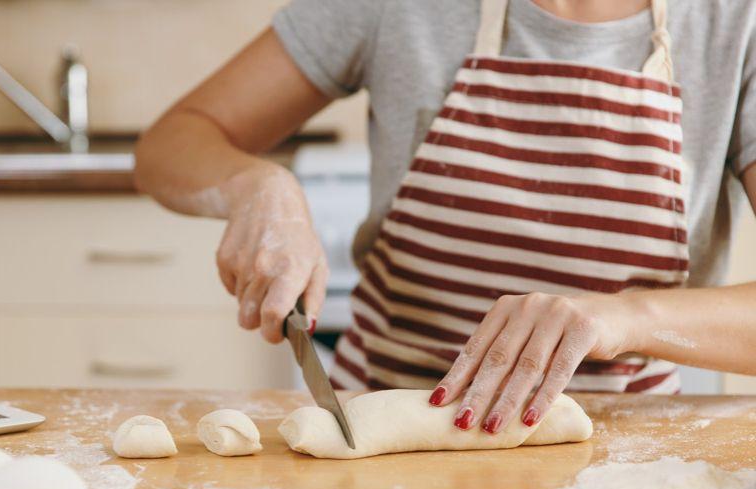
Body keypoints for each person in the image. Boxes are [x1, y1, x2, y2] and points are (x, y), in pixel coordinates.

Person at [134, 0, 756, 436]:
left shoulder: (736, 24)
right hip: (373, 433)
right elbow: (171, 144)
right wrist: (255, 185)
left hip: (620, 458)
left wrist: (627, 313)